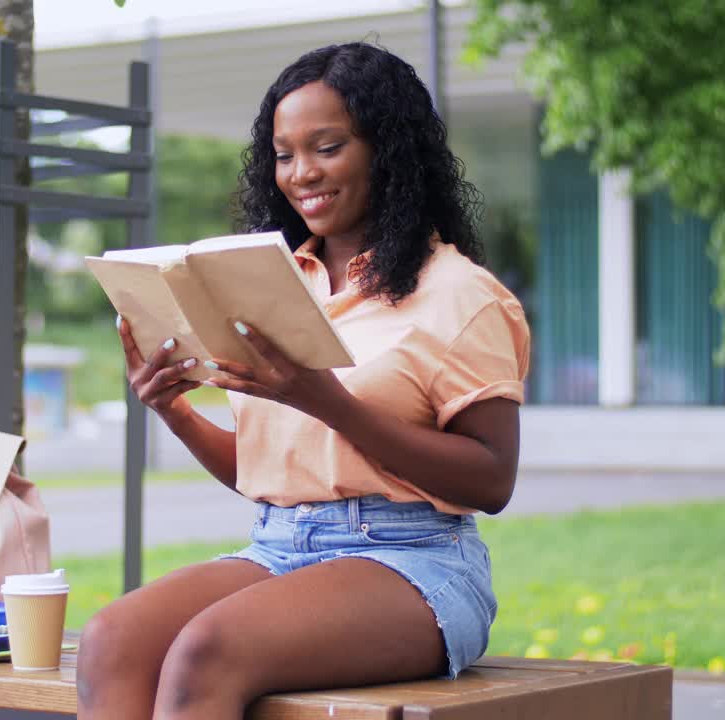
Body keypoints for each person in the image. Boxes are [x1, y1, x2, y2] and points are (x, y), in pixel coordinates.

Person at [76, 42, 530, 720]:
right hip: (278, 545)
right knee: (110, 640)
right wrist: (175, 411)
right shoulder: (280, 283)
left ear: (387, 150)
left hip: (416, 564)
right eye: (284, 155)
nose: (301, 173)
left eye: (327, 147)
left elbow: (492, 481)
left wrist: (329, 402)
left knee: (204, 651)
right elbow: (274, 472)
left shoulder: (459, 294)